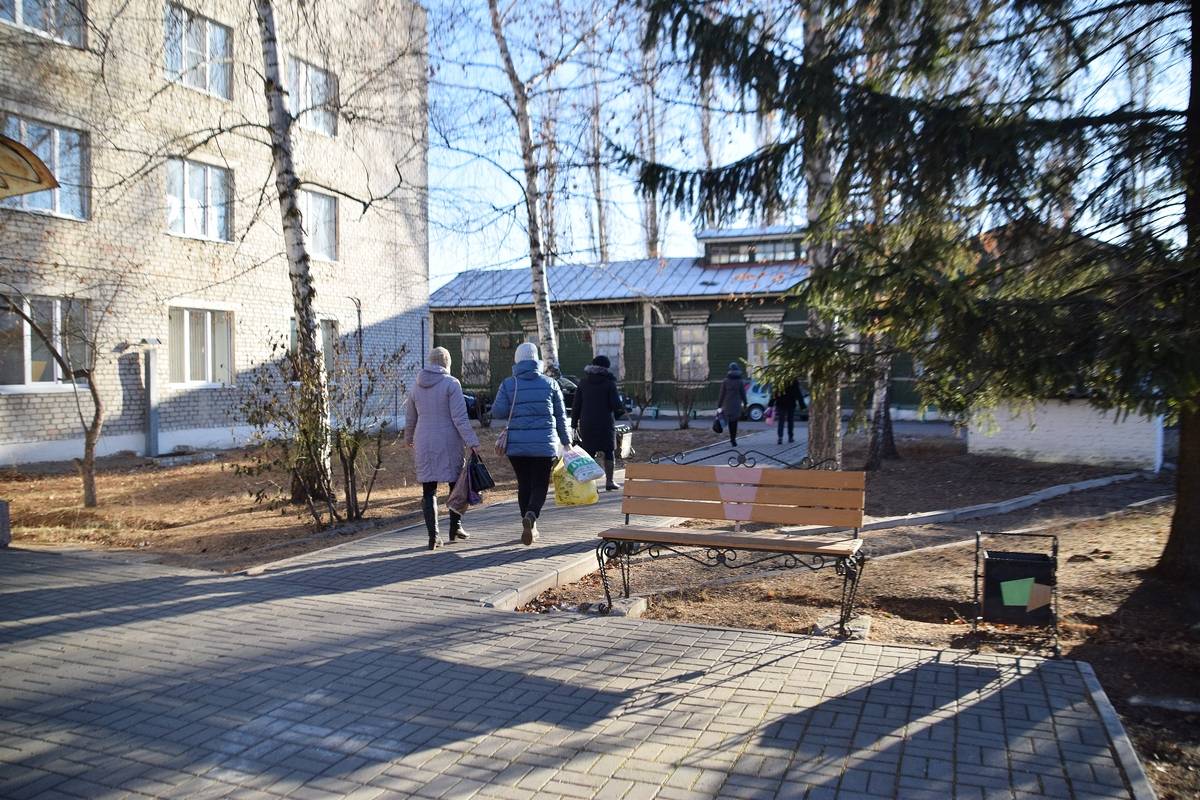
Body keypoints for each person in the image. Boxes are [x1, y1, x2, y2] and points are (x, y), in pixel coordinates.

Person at [490, 342, 571, 545]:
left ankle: (528, 524)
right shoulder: (550, 383)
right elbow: (561, 416)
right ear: (537, 360)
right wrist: (566, 442)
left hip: (517, 446)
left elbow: (498, 412)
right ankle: (532, 517)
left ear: (517, 360)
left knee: (524, 484)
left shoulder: (509, 384)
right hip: (544, 445)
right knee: (540, 484)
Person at [404, 347, 480, 550]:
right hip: (448, 440)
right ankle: (455, 526)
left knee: (429, 489)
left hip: (423, 440)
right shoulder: (451, 383)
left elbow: (410, 417)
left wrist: (408, 437)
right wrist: (472, 441)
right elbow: (459, 418)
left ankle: (433, 536)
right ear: (447, 362)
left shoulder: (416, 386)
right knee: (456, 485)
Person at [571, 354, 624, 491]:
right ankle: (609, 481)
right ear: (606, 367)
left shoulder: (583, 383)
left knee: (589, 453)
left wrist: (573, 424)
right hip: (605, 423)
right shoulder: (609, 383)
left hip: (587, 423)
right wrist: (620, 411)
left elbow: (576, 405)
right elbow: (616, 404)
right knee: (608, 451)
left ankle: (591, 485)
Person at [717, 361, 748, 447]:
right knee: (734, 422)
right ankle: (733, 439)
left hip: (727, 405)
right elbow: (743, 393)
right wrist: (745, 403)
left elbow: (722, 394)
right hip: (736, 405)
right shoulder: (740, 381)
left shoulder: (725, 381)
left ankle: (731, 438)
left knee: (728, 421)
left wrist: (719, 404)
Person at [771, 378, 806, 445]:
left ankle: (780, 438)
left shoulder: (778, 379)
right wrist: (802, 405)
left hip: (781, 403)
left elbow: (775, 392)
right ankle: (790, 437)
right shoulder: (793, 380)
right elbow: (798, 392)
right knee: (790, 420)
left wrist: (771, 403)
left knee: (781, 421)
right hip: (791, 403)